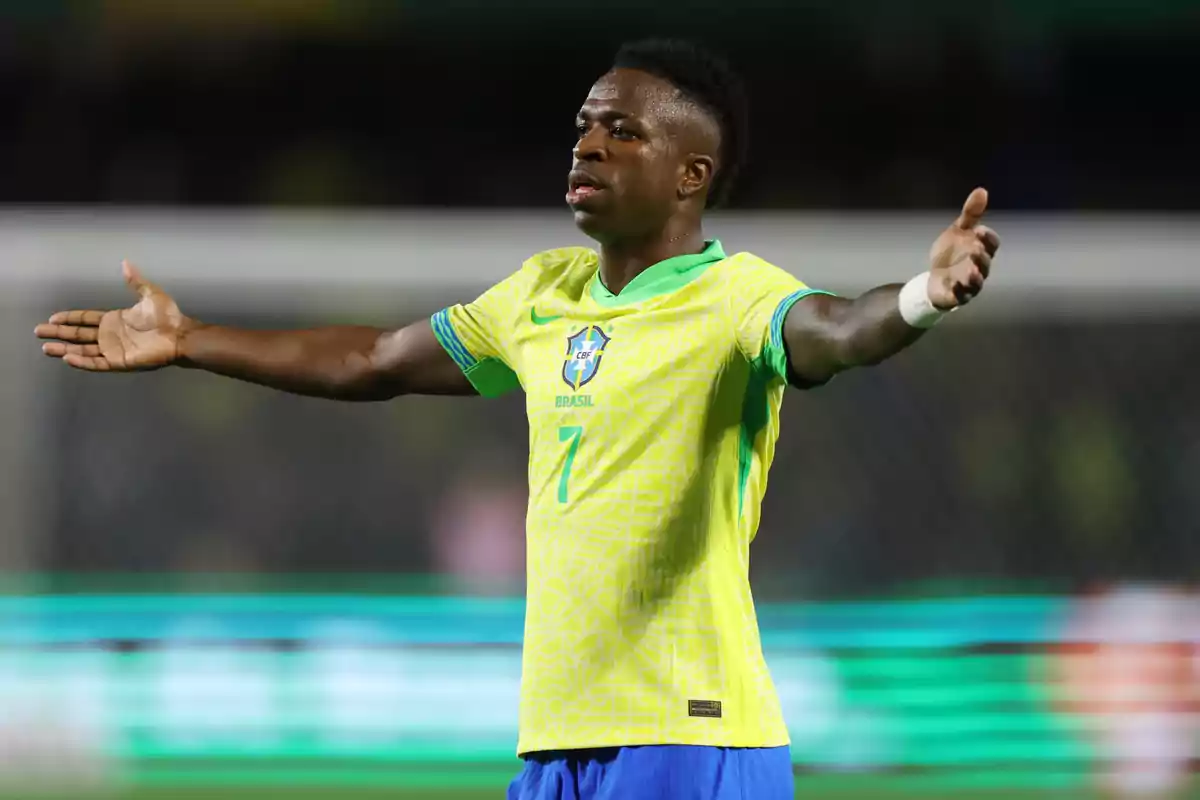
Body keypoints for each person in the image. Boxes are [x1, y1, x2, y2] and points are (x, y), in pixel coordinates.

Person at [35, 38, 1000, 800]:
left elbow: (834, 331)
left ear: (690, 175)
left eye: (622, 130)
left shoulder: (735, 296)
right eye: (584, 124)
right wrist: (191, 337)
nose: (586, 144)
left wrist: (924, 293)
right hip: (557, 739)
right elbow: (373, 360)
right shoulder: (544, 293)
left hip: (689, 736)